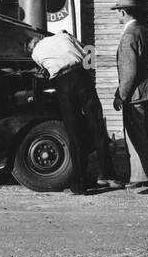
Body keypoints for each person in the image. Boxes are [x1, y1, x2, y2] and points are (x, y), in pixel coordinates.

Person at [32, 30, 121, 193]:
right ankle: (108, 175)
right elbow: (87, 53)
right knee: (97, 126)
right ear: (42, 37)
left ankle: (79, 183)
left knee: (74, 132)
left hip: (61, 83)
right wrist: (89, 73)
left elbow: (43, 71)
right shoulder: (64, 36)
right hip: (81, 77)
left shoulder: (35, 54)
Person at [112, 0, 148, 187]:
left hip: (135, 94)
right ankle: (147, 174)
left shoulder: (128, 35)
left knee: (135, 137)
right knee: (144, 134)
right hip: (146, 90)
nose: (116, 15)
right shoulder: (143, 31)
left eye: (117, 12)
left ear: (123, 12)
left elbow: (129, 71)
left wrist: (120, 95)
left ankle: (140, 177)